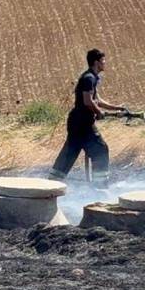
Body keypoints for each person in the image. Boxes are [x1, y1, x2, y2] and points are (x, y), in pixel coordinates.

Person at [47, 48, 128, 187]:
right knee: (100, 149)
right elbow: (88, 101)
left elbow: (97, 100)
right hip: (82, 123)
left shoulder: (92, 77)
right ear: (96, 62)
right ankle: (100, 186)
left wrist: (117, 108)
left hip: (78, 122)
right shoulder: (89, 78)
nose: (105, 63)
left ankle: (52, 183)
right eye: (103, 60)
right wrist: (99, 113)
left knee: (71, 151)